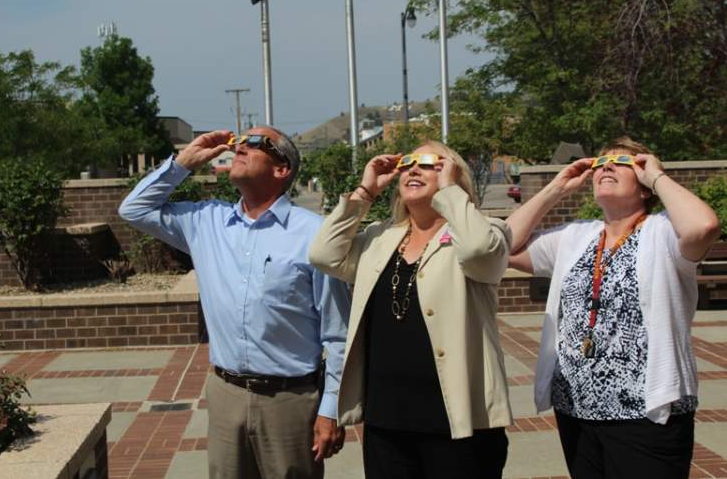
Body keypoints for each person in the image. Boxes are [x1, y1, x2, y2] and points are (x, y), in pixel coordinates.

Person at [119, 126, 351, 479]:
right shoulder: (204, 221)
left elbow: (338, 335)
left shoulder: (315, 234)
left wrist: (330, 410)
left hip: (290, 401)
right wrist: (183, 162)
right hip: (225, 393)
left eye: (255, 143)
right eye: (239, 141)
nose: (240, 146)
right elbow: (134, 209)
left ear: (282, 168)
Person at [506, 136, 720, 478]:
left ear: (644, 185)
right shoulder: (576, 236)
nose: (605, 167)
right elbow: (504, 245)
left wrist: (658, 176)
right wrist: (556, 189)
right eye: (599, 164)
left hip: (646, 413)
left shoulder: (663, 232)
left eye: (621, 163)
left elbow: (703, 226)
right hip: (576, 410)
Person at [308, 140, 513, 479]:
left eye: (430, 162)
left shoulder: (485, 230)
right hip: (387, 418)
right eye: (407, 163)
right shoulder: (379, 238)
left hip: (457, 421)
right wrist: (365, 191)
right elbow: (324, 255)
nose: (413, 169)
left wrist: (449, 190)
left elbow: (479, 252)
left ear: (453, 174)